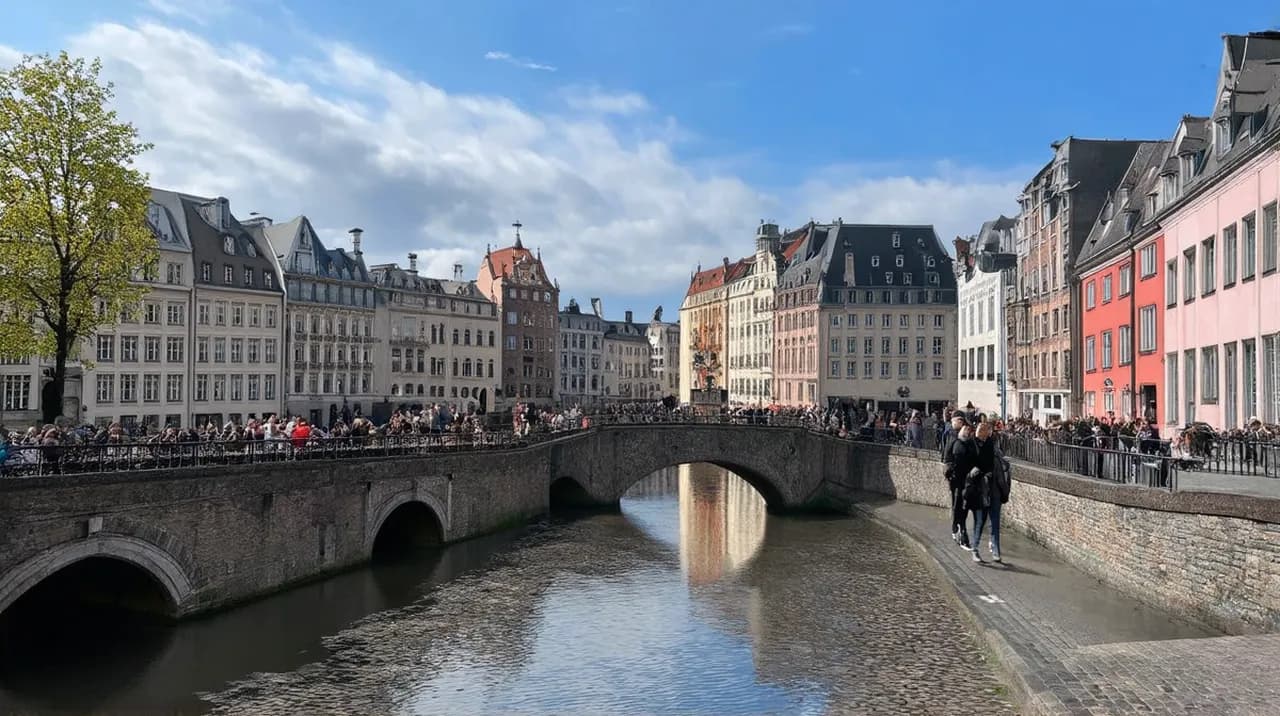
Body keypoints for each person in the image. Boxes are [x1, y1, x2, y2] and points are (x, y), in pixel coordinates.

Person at [944, 416, 973, 550]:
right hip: (957, 479)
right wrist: (950, 473)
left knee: (962, 504)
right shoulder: (955, 440)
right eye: (966, 429)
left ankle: (960, 529)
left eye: (969, 429)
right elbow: (947, 458)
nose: (967, 431)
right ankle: (960, 530)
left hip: (966, 479)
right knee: (958, 504)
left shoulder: (969, 443)